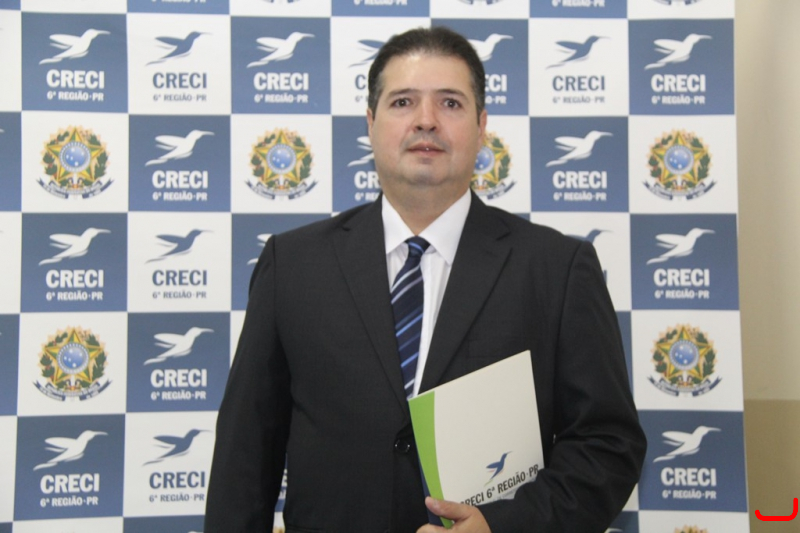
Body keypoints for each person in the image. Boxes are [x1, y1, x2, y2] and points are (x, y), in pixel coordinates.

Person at [205, 26, 646, 533]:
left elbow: (608, 446)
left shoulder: (558, 269)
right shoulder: (294, 265)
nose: (426, 120)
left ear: (482, 126)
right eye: (403, 102)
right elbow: (244, 456)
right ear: (371, 123)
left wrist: (502, 526)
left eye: (451, 103)